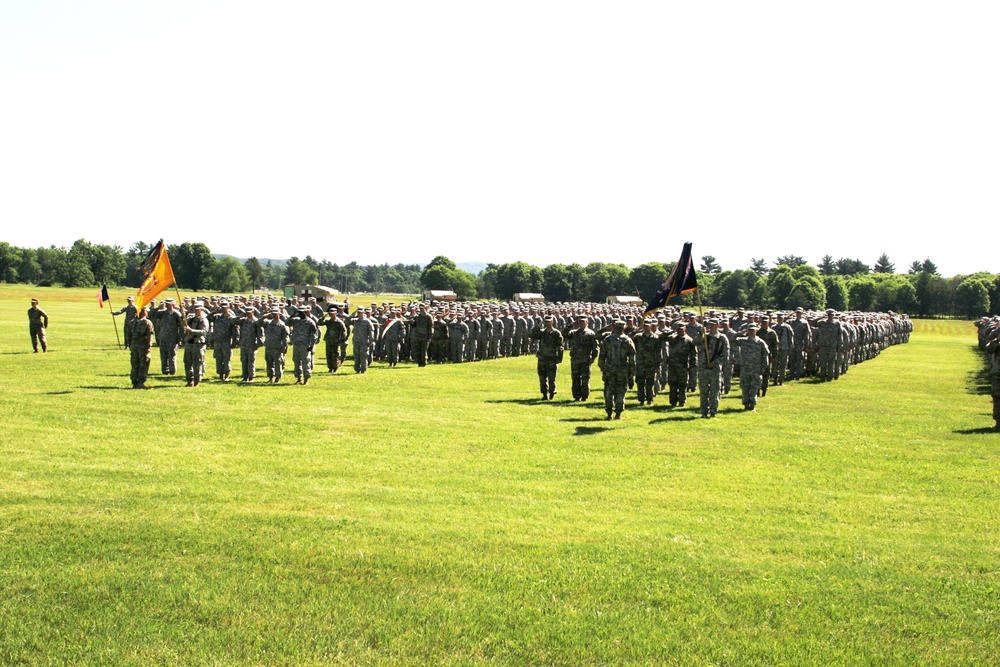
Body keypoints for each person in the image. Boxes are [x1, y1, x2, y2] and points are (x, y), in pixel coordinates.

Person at [598, 319, 635, 420]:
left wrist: (603, 369)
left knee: (609, 391)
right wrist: (632, 371)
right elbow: (632, 358)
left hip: (609, 369)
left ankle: (609, 413)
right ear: (623, 328)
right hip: (622, 370)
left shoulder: (607, 340)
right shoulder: (628, 340)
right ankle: (618, 414)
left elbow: (601, 356)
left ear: (614, 327)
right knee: (620, 391)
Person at [693, 317, 729, 418]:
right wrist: (701, 334)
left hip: (715, 369)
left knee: (714, 391)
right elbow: (694, 343)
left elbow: (725, 355)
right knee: (704, 391)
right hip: (703, 368)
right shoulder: (705, 337)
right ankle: (704, 411)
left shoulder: (722, 338)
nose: (711, 326)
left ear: (718, 325)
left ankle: (713, 411)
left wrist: (715, 363)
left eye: (713, 324)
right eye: (710, 324)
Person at [529, 315, 564, 400]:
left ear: (552, 322)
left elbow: (560, 346)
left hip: (552, 358)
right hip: (542, 358)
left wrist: (559, 358)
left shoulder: (556, 333)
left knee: (551, 378)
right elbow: (531, 334)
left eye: (549, 321)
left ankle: (552, 393)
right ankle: (544, 394)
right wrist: (538, 325)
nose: (547, 323)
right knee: (542, 378)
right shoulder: (542, 332)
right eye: (546, 321)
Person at [565, 315, 599, 401]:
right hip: (575, 359)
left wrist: (593, 357)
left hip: (586, 359)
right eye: (580, 322)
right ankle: (576, 396)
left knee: (585, 378)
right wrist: (570, 325)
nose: (581, 323)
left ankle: (584, 396)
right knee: (575, 378)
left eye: (583, 322)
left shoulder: (590, 333)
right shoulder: (574, 333)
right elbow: (564, 335)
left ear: (587, 322)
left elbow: (595, 347)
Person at [738, 323, 769, 411]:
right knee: (745, 387)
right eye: (749, 330)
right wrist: (740, 332)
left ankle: (752, 405)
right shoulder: (743, 340)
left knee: (754, 387)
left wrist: (763, 369)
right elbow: (732, 341)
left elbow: (765, 356)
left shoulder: (760, 342)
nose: (751, 332)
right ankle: (745, 404)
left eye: (753, 330)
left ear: (756, 330)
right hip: (745, 368)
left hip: (756, 369)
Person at [632, 318, 662, 406]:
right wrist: (636, 330)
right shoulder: (638, 337)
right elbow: (629, 337)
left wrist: (657, 365)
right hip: (640, 363)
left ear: (651, 326)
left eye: (647, 326)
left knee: (650, 382)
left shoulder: (655, 338)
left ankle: (649, 399)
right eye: (644, 326)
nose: (646, 327)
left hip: (651, 364)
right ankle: (641, 399)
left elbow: (658, 352)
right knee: (640, 382)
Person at [182, 303, 210, 387]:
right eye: (194, 309)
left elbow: (204, 331)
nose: (196, 311)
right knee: (187, 363)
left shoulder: (203, 320)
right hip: (189, 343)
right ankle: (189, 380)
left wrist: (192, 330)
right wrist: (184, 316)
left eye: (197, 309)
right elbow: (183, 323)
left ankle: (197, 381)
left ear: (201, 310)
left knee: (197, 363)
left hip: (198, 344)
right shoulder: (191, 319)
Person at [235, 304, 264, 382]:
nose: (248, 314)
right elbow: (233, 321)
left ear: (253, 312)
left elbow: (260, 334)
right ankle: (245, 376)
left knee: (251, 361)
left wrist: (258, 344)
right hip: (244, 344)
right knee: (244, 360)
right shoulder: (243, 320)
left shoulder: (256, 321)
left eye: (249, 312)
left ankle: (251, 377)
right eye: (246, 312)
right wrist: (240, 316)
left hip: (252, 344)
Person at [290, 308, 320, 384]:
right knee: (296, 362)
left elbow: (314, 334)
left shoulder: (310, 322)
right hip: (296, 344)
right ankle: (299, 378)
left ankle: (306, 380)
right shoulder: (296, 321)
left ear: (305, 313)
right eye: (299, 313)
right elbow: (287, 323)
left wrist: (311, 345)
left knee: (306, 363)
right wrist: (292, 315)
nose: (300, 314)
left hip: (305, 345)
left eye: (301, 313)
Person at [128, 305, 155, 389]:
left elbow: (128, 335)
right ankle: (140, 382)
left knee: (135, 364)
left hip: (134, 346)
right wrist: (149, 347)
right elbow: (150, 336)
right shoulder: (147, 322)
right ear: (144, 312)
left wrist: (129, 344)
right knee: (143, 364)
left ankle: (134, 381)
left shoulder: (132, 322)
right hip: (143, 346)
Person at [263, 308, 291, 383]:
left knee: (278, 363)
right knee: (269, 363)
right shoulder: (268, 323)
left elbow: (285, 338)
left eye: (276, 314)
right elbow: (258, 323)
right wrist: (264, 316)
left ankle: (277, 378)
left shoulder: (282, 325)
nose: (274, 316)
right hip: (269, 346)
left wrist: (284, 347)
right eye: (273, 314)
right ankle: (270, 377)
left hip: (277, 347)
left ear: (279, 315)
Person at [321, 306, 348, 372]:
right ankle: (330, 368)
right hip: (329, 340)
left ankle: (335, 367)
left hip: (336, 341)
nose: (331, 315)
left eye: (333, 314)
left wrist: (341, 340)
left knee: (335, 355)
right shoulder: (328, 321)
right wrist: (323, 317)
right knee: (328, 354)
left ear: (336, 314)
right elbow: (319, 323)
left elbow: (344, 332)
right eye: (330, 314)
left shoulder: (339, 322)